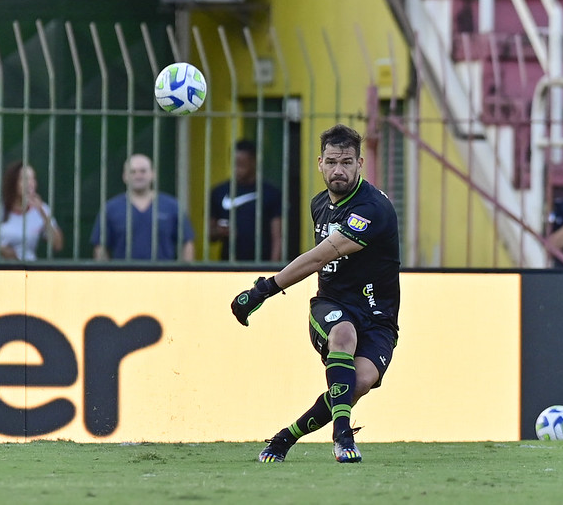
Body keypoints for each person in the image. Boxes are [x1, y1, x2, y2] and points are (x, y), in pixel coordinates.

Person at [231, 124, 400, 463]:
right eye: (332, 162)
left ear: (360, 163)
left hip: (378, 316)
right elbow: (323, 262)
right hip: (332, 305)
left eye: (347, 162)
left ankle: (283, 439)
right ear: (320, 163)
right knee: (343, 334)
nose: (339, 170)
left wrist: (263, 289)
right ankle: (343, 436)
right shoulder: (319, 204)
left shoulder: (371, 209)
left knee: (359, 382)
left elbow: (322, 255)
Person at [91, 153, 194, 261]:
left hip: (163, 271)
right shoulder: (111, 208)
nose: (138, 176)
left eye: (143, 171)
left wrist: (186, 270)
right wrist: (106, 271)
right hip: (124, 271)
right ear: (125, 176)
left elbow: (187, 243)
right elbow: (100, 247)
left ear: (153, 174)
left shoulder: (172, 206)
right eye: (133, 172)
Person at [0, 161, 63, 261]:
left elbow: (57, 245)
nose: (30, 184)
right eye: (25, 179)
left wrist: (42, 213)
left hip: (29, 268)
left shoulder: (42, 209)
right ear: (13, 183)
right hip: (1, 268)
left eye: (33, 179)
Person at [210, 139, 282, 261]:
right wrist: (219, 231)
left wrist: (274, 268)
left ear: (253, 162)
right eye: (234, 164)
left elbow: (278, 237)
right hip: (228, 264)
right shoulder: (219, 192)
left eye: (241, 164)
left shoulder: (270, 193)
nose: (237, 169)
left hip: (261, 263)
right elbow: (209, 234)